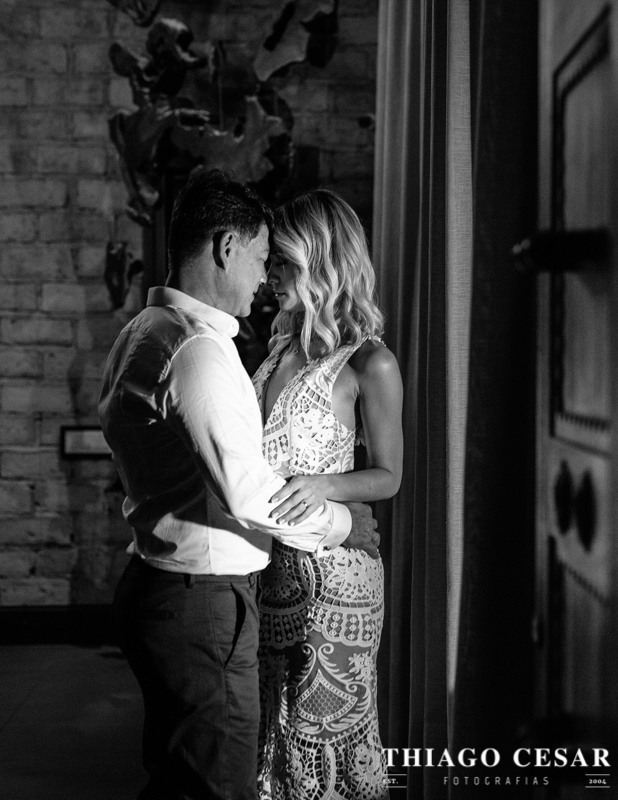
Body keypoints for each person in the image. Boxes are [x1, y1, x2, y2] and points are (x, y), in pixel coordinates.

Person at [99, 169, 380, 800]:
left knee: (183, 777)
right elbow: (248, 492)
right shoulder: (196, 349)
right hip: (201, 600)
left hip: (167, 583)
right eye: (260, 258)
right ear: (227, 248)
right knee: (219, 784)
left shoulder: (143, 332)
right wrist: (343, 523)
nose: (264, 278)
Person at [251, 189, 403, 800]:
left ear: (320, 261)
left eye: (283, 262)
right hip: (268, 571)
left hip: (335, 580)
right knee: (271, 746)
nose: (270, 276)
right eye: (271, 262)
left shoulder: (370, 363)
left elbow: (389, 475)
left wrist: (324, 485)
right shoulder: (278, 350)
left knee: (320, 755)